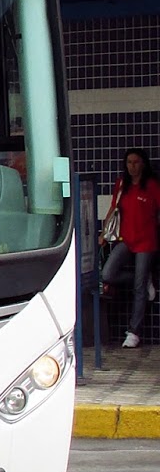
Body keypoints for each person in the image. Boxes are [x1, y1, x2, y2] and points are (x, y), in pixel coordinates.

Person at [100, 147, 160, 349]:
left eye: (136, 162)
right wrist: (104, 234)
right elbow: (113, 209)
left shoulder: (151, 186)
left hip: (146, 241)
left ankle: (134, 332)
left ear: (143, 163)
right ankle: (143, 280)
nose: (132, 166)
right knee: (107, 274)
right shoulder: (122, 184)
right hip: (125, 239)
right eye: (129, 162)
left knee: (139, 289)